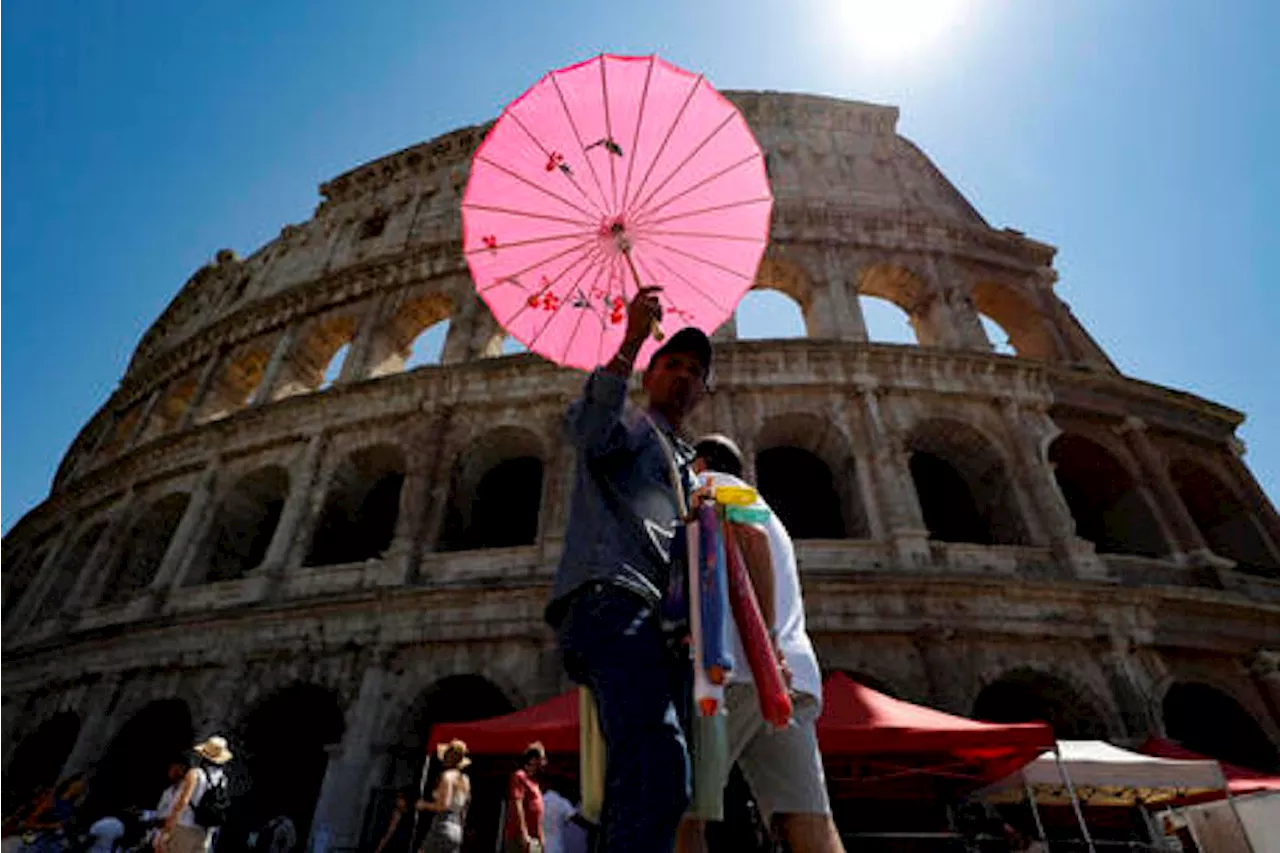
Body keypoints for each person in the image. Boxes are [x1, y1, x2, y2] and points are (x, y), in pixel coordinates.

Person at [547, 287, 711, 853]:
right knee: (658, 764)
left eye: (694, 370)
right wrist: (632, 339)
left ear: (704, 389)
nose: (683, 375)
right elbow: (589, 432)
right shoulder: (632, 427)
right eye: (672, 364)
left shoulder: (684, 458)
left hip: (652, 619)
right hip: (610, 596)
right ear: (649, 374)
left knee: (636, 777)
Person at [676, 434, 845, 853]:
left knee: (684, 812)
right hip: (791, 678)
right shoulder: (774, 516)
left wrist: (765, 640)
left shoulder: (711, 485)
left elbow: (748, 539)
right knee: (807, 816)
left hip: (739, 667)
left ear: (701, 463)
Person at [153, 735, 233, 853]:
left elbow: (183, 802)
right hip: (204, 833)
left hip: (184, 828)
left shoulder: (195, 774)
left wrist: (167, 829)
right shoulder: (223, 779)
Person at [417, 741, 470, 853]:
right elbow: (465, 807)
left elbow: (444, 805)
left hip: (442, 824)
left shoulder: (447, 777)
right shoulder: (465, 780)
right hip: (457, 828)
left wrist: (424, 805)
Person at [502, 743, 547, 853]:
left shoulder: (534, 781)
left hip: (534, 837)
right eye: (541, 759)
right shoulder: (520, 776)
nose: (543, 763)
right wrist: (523, 833)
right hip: (520, 837)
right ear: (532, 759)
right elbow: (517, 805)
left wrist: (541, 836)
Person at [538, 788, 586, 853]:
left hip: (541, 848)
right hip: (556, 849)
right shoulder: (562, 802)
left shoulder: (539, 802)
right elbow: (579, 821)